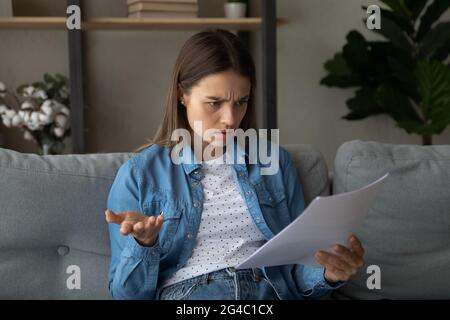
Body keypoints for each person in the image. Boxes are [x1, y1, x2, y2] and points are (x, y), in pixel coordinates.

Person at [105, 29, 365, 300]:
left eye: (241, 102)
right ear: (182, 94)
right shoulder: (139, 175)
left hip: (270, 293)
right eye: (214, 103)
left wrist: (328, 272)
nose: (230, 118)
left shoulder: (274, 164)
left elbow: (297, 272)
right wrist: (143, 244)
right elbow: (127, 296)